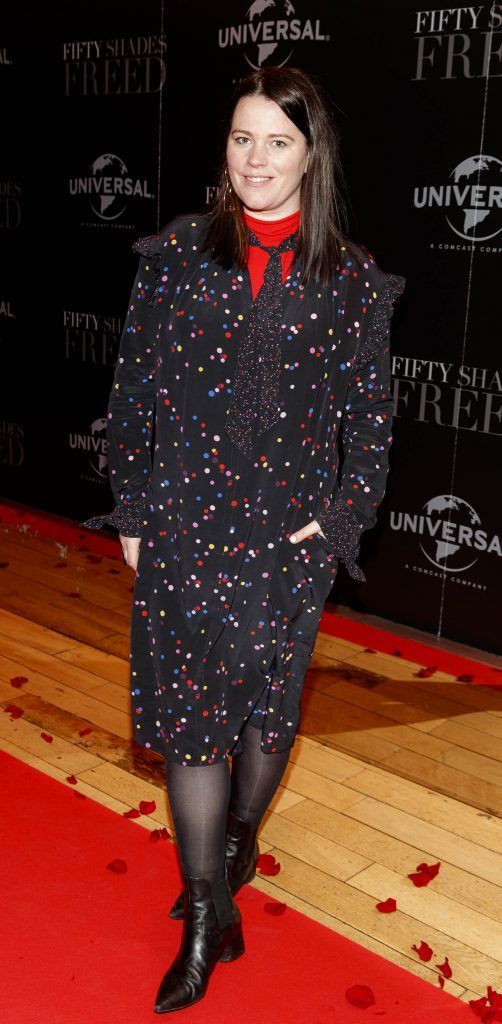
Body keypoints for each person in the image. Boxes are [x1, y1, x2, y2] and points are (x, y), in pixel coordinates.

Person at [82, 65, 406, 1013]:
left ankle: (234, 844)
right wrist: (135, 513)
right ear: (223, 149)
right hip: (185, 529)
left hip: (286, 540)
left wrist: (338, 524)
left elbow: (372, 422)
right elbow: (132, 396)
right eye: (240, 138)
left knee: (266, 717)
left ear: (312, 156)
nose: (255, 159)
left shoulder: (348, 279)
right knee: (190, 726)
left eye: (278, 141)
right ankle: (204, 918)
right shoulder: (177, 254)